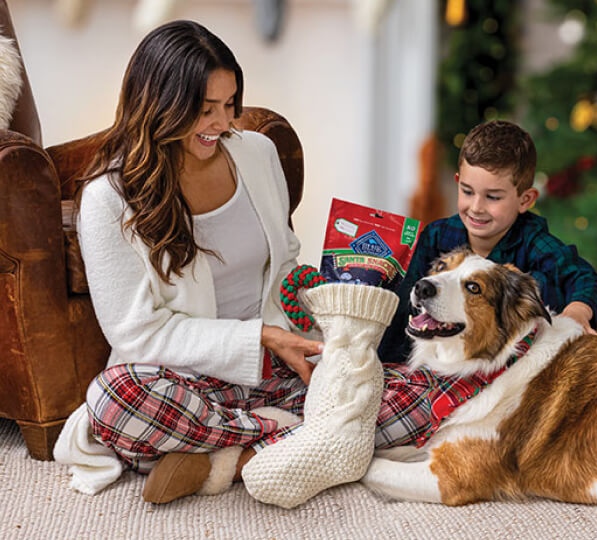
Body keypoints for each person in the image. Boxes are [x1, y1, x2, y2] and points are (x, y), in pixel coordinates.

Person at [53, 20, 433, 505]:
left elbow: (285, 262)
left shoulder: (258, 153)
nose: (223, 123)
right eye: (205, 109)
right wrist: (258, 338)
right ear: (160, 105)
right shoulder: (108, 198)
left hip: (278, 367)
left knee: (419, 388)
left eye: (230, 105)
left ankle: (221, 455)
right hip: (184, 378)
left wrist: (326, 309)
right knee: (113, 400)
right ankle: (294, 435)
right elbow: (136, 334)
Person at [379, 120, 597, 363]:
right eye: (467, 191)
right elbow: (404, 300)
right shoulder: (437, 235)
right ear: (458, 182)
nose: (476, 208)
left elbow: (585, 277)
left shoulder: (533, 240)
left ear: (525, 200)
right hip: (445, 353)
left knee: (533, 284)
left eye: (493, 197)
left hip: (519, 360)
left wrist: (578, 311)